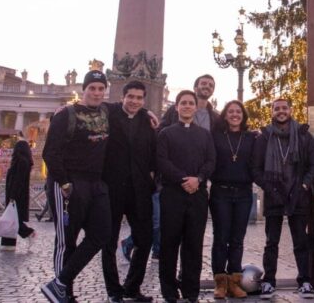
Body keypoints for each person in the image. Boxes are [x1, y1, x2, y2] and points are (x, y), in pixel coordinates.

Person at [41, 69, 112, 303]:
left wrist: (151, 114)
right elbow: (50, 152)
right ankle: (65, 293)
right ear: (84, 89)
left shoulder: (107, 112)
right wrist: (64, 182)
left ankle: (59, 283)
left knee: (101, 234)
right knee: (66, 239)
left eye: (101, 89)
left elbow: (130, 108)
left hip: (96, 182)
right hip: (69, 183)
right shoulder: (65, 115)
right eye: (92, 88)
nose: (97, 92)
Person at [252, 98, 314, 299]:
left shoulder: (303, 135)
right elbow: (255, 168)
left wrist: (304, 185)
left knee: (301, 241)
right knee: (271, 241)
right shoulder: (263, 137)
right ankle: (269, 282)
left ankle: (305, 281)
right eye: (277, 108)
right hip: (273, 194)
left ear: (291, 110)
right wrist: (268, 187)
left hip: (298, 194)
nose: (281, 111)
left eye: (284, 108)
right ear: (272, 111)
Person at [157, 89, 216, 302]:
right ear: (177, 107)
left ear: (195, 106)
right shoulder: (166, 134)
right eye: (183, 103)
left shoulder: (205, 135)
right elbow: (162, 161)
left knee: (193, 244)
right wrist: (184, 179)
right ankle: (169, 291)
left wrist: (198, 179)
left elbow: (211, 161)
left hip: (197, 195)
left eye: (191, 103)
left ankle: (191, 291)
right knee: (169, 244)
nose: (187, 106)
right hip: (173, 194)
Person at [101, 81, 157, 303]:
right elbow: (95, 106)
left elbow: (153, 154)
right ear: (123, 97)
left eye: (139, 98)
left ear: (144, 100)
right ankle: (114, 290)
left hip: (139, 190)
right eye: (130, 97)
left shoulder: (147, 121)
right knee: (108, 241)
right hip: (112, 188)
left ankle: (132, 287)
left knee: (145, 239)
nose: (134, 101)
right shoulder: (110, 114)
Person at [210, 100, 257, 299]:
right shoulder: (215, 136)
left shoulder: (252, 137)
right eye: (231, 111)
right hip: (221, 192)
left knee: (237, 240)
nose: (235, 114)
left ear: (243, 115)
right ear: (225, 115)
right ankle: (220, 283)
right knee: (221, 239)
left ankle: (235, 281)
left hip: (244, 193)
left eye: (238, 111)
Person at [1, 140, 36, 250]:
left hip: (16, 195)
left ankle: (29, 233)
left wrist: (13, 196)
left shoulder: (21, 162)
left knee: (13, 219)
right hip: (17, 194)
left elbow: (18, 181)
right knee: (11, 218)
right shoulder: (23, 161)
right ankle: (8, 244)